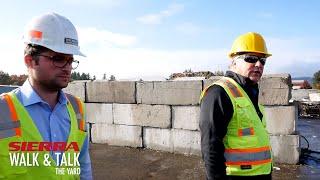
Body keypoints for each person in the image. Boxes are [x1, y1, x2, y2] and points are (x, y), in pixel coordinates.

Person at [0, 12, 92, 179]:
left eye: (70, 60)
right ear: (30, 61)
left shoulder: (77, 107)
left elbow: (82, 163)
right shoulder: (2, 109)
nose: (67, 67)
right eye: (58, 58)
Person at [199, 32, 273, 180]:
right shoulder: (219, 93)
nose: (259, 64)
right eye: (251, 58)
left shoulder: (248, 91)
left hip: (260, 174)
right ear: (234, 62)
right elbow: (210, 148)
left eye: (262, 60)